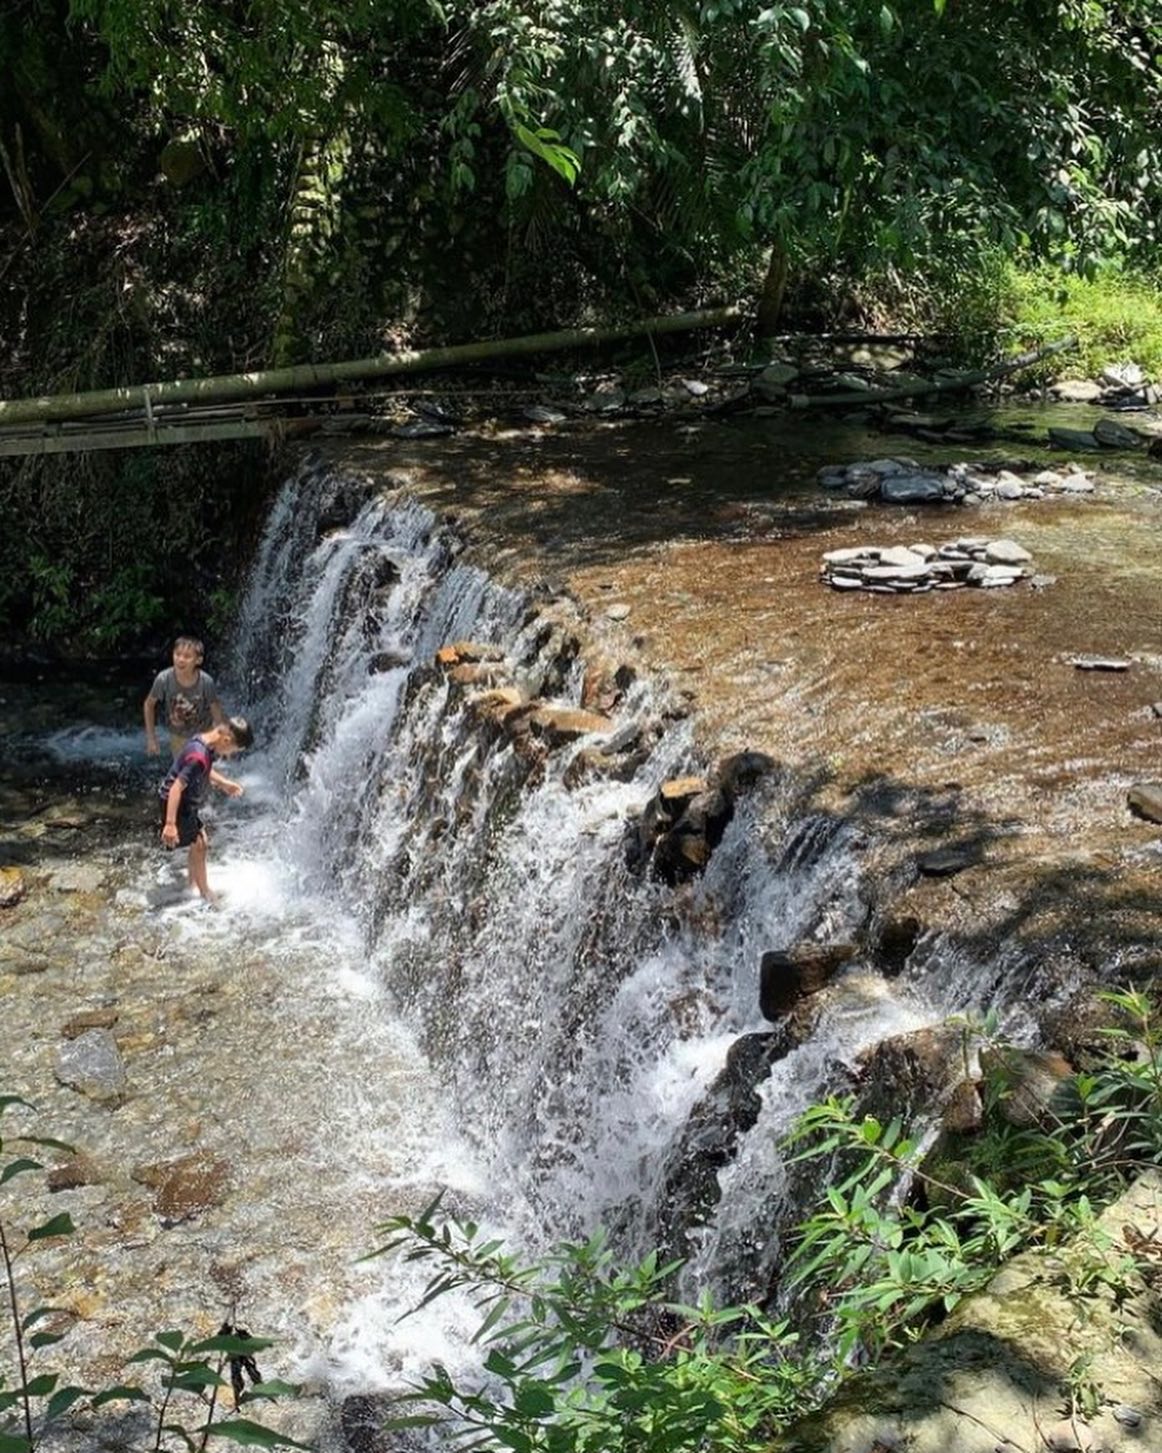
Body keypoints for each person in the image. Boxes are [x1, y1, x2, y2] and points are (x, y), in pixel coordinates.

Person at [158, 716, 254, 906]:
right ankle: (204, 893)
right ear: (226, 740)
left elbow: (203, 770)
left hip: (183, 801)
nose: (229, 755)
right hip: (176, 802)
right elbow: (176, 788)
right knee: (200, 843)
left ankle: (192, 885)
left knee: (198, 842)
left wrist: (224, 783)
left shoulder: (203, 742)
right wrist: (170, 824)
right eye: (232, 751)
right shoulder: (199, 756)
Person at [144, 636, 225, 758]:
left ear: (198, 660)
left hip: (204, 733)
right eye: (177, 654)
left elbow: (216, 710)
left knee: (204, 768)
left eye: (187, 657)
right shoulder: (164, 679)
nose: (181, 659)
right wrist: (151, 738)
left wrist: (220, 737)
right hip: (178, 736)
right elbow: (149, 705)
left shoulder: (206, 682)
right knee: (184, 770)